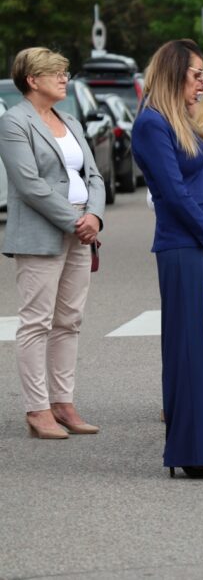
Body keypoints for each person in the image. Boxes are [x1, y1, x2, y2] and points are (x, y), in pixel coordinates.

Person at [132, 39, 203, 478]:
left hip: (198, 244)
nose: (202, 81)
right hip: (182, 245)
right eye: (197, 74)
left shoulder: (180, 122)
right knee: (187, 350)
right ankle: (188, 454)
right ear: (175, 73)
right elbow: (171, 192)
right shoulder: (152, 124)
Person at [0, 48, 105, 439]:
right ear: (32, 80)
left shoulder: (71, 120)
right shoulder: (14, 122)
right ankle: (37, 408)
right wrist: (76, 221)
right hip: (45, 230)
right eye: (56, 73)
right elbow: (29, 184)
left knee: (69, 321)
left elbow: (93, 174)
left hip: (81, 228)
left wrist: (94, 215)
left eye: (64, 73)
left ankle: (63, 403)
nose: (64, 79)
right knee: (36, 322)